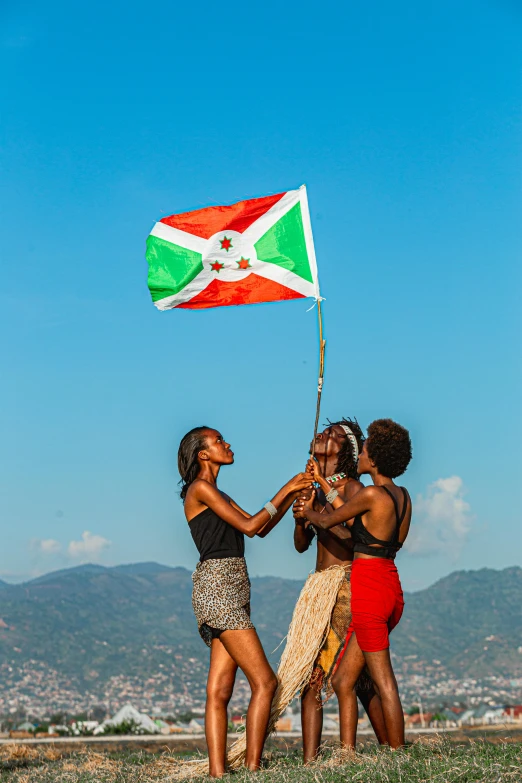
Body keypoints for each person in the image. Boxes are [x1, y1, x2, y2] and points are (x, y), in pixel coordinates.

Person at [178, 425, 312, 778]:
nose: (228, 443)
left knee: (219, 691)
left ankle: (218, 774)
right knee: (265, 682)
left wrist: (290, 501)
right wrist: (288, 487)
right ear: (203, 454)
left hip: (233, 586)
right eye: (219, 440)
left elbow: (261, 527)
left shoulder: (215, 491)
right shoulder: (201, 488)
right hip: (218, 588)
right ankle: (253, 770)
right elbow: (251, 526)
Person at [294, 418, 412, 749]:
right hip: (390, 582)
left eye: (367, 448)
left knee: (381, 680)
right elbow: (365, 527)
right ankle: (354, 751)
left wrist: (309, 512)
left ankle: (396, 753)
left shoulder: (370, 493)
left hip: (368, 587)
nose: (361, 453)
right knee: (348, 680)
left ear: (373, 457)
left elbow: (334, 519)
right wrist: (318, 491)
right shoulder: (403, 496)